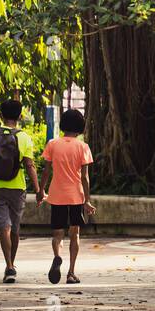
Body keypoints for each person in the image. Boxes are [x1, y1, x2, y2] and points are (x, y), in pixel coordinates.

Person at [0, 98, 41, 284]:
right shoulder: (23, 137)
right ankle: (11, 266)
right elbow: (30, 165)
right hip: (17, 188)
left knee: (4, 228)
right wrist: (38, 189)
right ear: (20, 116)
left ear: (1, 115)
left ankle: (9, 265)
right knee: (14, 229)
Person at [41, 108, 95, 285]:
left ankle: (57, 256)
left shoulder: (52, 144)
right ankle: (71, 272)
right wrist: (87, 200)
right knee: (74, 234)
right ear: (80, 127)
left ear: (63, 125)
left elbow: (46, 171)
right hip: (75, 197)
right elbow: (84, 177)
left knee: (57, 234)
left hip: (57, 195)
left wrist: (41, 190)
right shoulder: (83, 147)